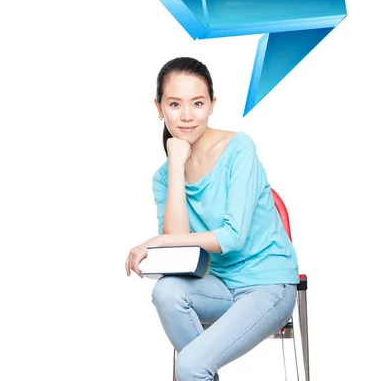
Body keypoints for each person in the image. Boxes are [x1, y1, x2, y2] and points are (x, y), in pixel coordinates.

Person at [125, 56, 299, 381]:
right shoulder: (163, 178)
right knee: (166, 292)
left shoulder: (239, 149)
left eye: (198, 103)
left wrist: (158, 241)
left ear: (212, 104)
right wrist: (177, 164)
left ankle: (196, 371)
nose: (187, 116)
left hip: (267, 285)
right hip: (218, 287)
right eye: (175, 104)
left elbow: (232, 237)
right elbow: (179, 253)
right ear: (158, 106)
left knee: (190, 366)